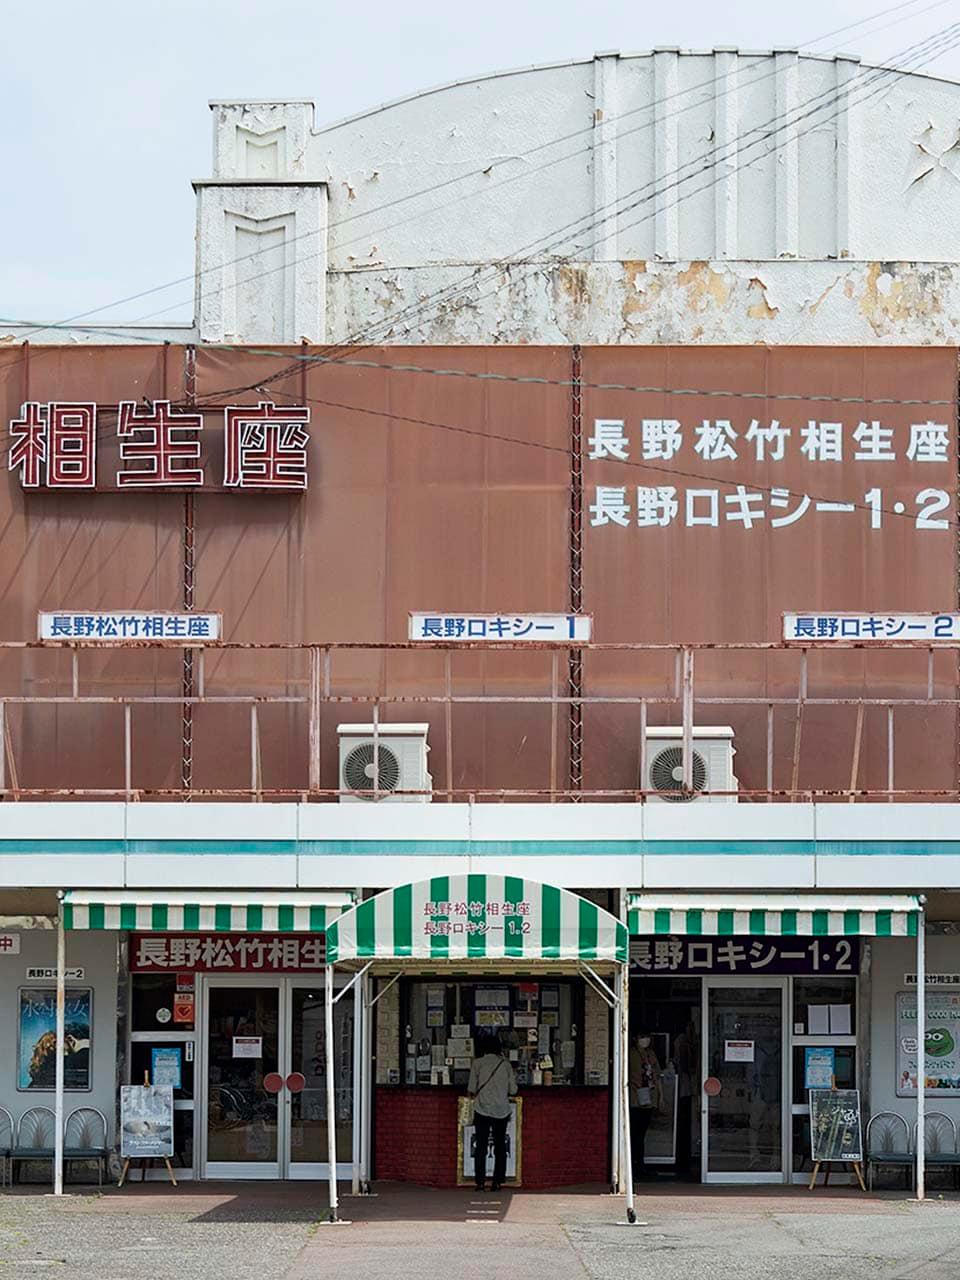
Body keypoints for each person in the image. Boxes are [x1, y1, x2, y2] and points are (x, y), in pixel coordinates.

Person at [468, 1032, 517, 1191]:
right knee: (500, 1146)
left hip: (482, 1109)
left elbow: (471, 1088)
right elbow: (513, 1090)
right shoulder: (506, 1064)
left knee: (481, 1146)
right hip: (501, 1110)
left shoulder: (477, 1063)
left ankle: (480, 1182)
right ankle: (497, 1181)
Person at [628, 1030, 662, 1181]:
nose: (645, 1040)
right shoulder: (630, 1054)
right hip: (635, 1097)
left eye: (647, 1037)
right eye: (642, 1037)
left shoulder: (651, 1054)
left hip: (649, 1096)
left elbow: (657, 1075)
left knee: (642, 1133)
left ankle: (640, 1165)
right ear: (636, 1038)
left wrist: (661, 1097)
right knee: (635, 1133)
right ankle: (634, 1166)